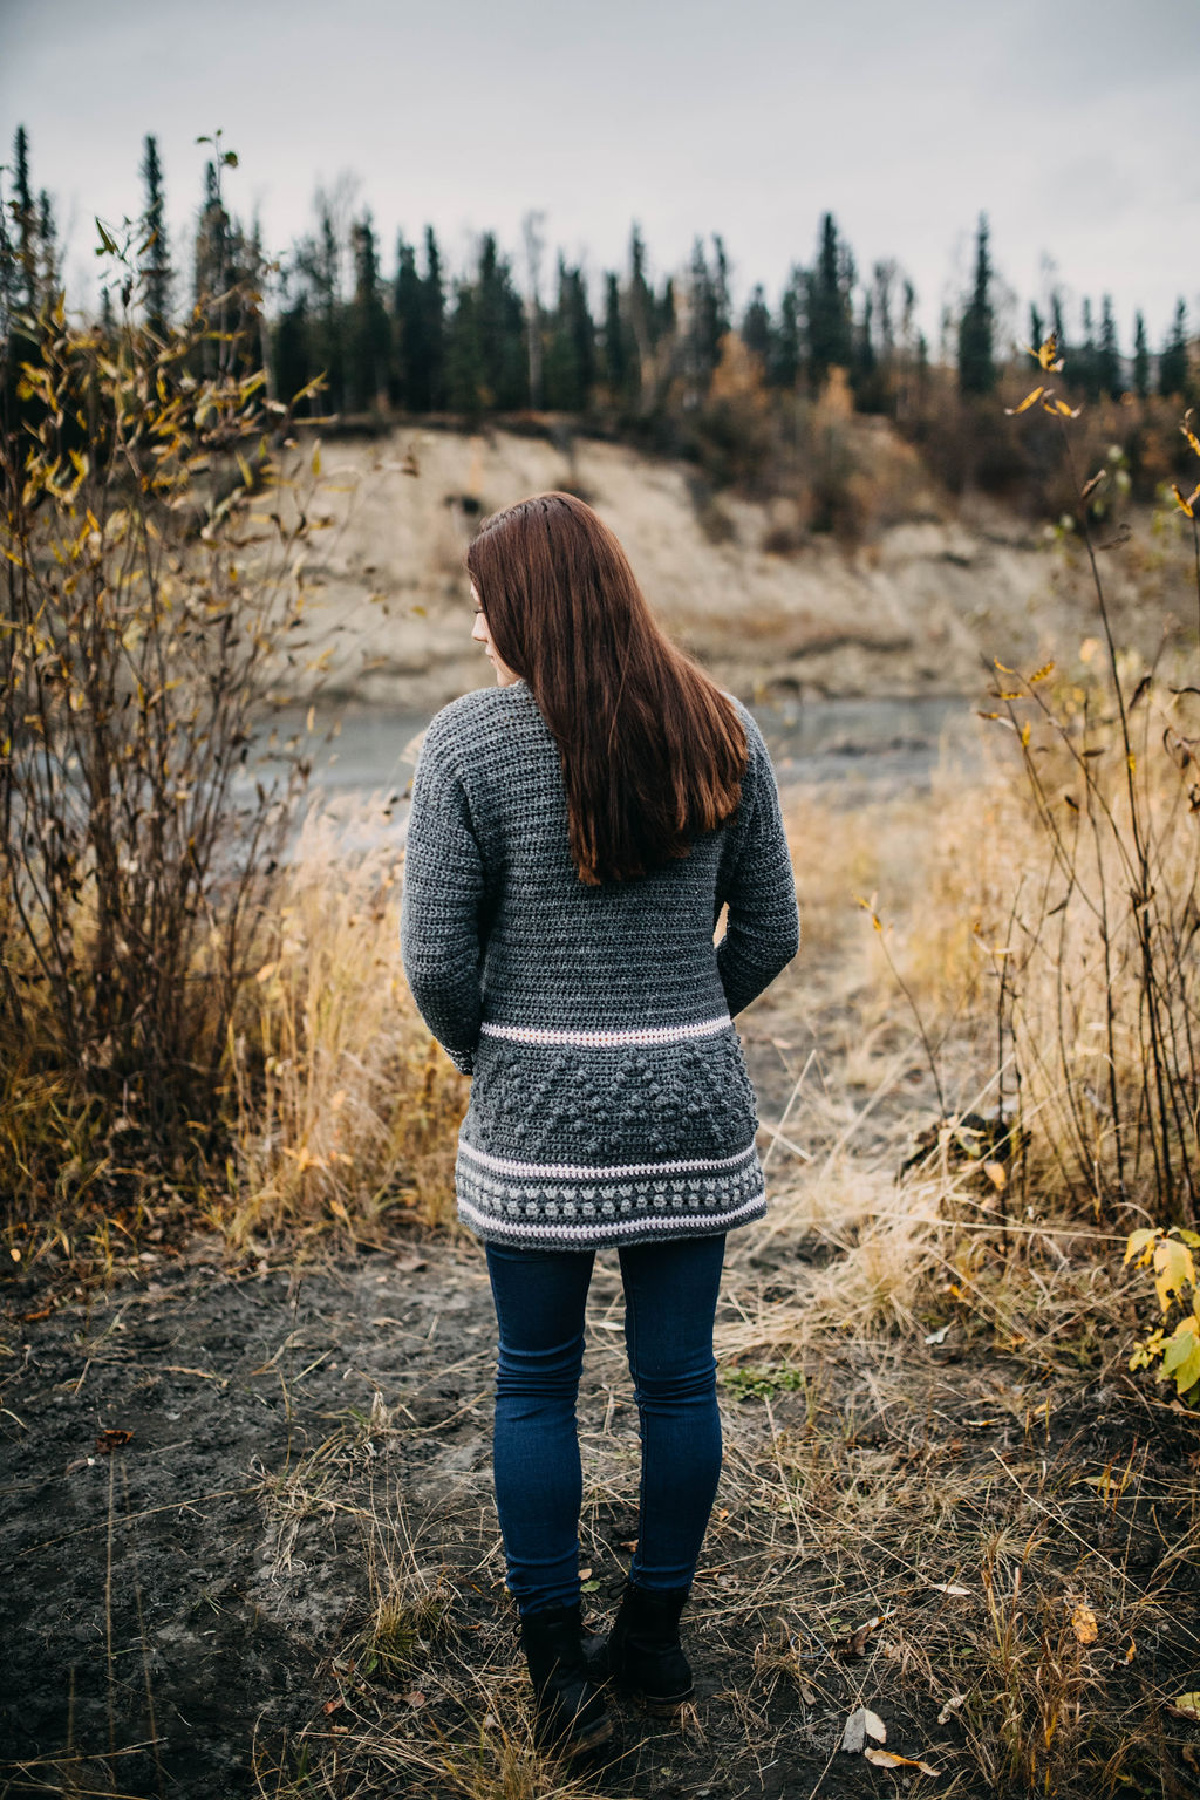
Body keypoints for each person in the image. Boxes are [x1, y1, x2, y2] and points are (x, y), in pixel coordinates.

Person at [400, 492, 799, 1759]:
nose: (475, 623)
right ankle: (655, 1638)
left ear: (530, 605)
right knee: (678, 1380)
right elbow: (773, 932)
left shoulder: (468, 747)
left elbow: (433, 962)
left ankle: (560, 1677)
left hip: (538, 1123)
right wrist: (686, 1022)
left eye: (486, 599)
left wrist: (488, 1055)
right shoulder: (721, 727)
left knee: (536, 1385)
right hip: (692, 1111)